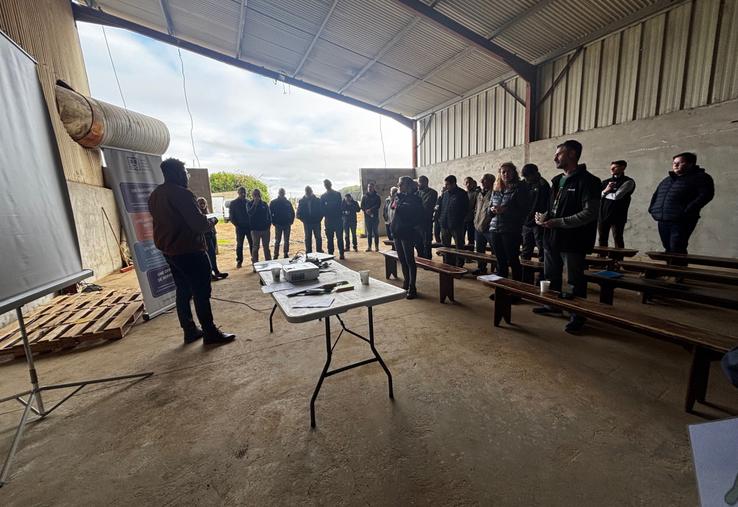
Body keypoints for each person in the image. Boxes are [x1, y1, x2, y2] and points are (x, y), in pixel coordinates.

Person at [148, 158, 234, 345]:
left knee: (183, 290)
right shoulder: (182, 194)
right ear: (178, 173)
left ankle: (189, 330)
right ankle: (210, 332)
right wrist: (211, 221)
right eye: (185, 173)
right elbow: (199, 225)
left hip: (170, 252)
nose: (187, 176)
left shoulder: (156, 195)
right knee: (201, 292)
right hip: (189, 250)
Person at [534, 140, 601, 334]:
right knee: (551, 275)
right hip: (552, 237)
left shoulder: (589, 181)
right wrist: (544, 217)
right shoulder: (556, 180)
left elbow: (590, 213)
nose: (555, 157)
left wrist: (558, 222)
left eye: (559, 154)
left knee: (574, 280)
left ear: (572, 154)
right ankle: (552, 305)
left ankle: (577, 314)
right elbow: (552, 208)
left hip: (574, 240)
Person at [648, 152, 714, 255]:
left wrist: (686, 211)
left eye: (680, 162)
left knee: (677, 247)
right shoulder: (667, 180)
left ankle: (678, 270)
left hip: (683, 220)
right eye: (674, 163)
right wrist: (652, 209)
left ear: (690, 164)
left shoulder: (701, 177)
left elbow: (706, 195)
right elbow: (656, 195)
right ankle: (669, 270)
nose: (675, 165)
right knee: (668, 247)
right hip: (663, 219)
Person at [486, 163, 529, 282]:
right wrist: (492, 210)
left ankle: (516, 291)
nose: (505, 174)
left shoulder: (520, 187)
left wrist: (506, 210)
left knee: (513, 260)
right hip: (495, 228)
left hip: (511, 230)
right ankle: (501, 292)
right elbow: (489, 208)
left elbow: (524, 210)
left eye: (508, 171)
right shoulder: (496, 189)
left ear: (514, 173)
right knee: (500, 261)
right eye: (503, 172)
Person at [392, 176, 424, 299]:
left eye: (401, 184)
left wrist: (399, 205)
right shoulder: (399, 197)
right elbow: (393, 210)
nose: (398, 186)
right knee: (402, 260)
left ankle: (412, 287)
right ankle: (406, 282)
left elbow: (412, 214)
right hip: (397, 232)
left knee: (410, 260)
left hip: (407, 232)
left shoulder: (415, 199)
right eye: (399, 184)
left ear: (407, 185)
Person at [598, 160, 635, 249]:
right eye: (611, 167)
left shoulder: (628, 182)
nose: (612, 169)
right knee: (602, 239)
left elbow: (616, 196)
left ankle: (618, 261)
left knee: (617, 238)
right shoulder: (605, 182)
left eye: (615, 167)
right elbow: (596, 195)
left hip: (618, 216)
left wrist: (604, 193)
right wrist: (605, 191)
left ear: (623, 168)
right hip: (603, 215)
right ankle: (601, 260)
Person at [521, 164, 550, 260]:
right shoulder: (524, 184)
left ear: (535, 173)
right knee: (526, 249)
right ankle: (525, 274)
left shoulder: (543, 185)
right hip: (526, 222)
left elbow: (545, 205)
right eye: (525, 177)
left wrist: (540, 219)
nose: (526, 179)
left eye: (528, 176)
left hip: (538, 223)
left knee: (542, 249)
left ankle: (542, 274)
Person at [438, 175, 469, 267]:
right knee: (445, 246)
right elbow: (441, 207)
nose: (446, 186)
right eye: (445, 184)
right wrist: (441, 219)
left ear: (454, 184)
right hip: (444, 224)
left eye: (447, 184)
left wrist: (459, 220)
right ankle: (447, 263)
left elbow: (465, 209)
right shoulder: (445, 194)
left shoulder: (462, 193)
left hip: (457, 225)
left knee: (459, 246)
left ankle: (459, 264)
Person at [196, 197, 228, 281]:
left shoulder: (207, 212)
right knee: (210, 256)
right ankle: (211, 274)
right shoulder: (198, 214)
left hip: (212, 234)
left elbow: (213, 222)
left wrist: (213, 221)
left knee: (213, 254)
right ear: (197, 204)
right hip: (206, 237)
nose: (202, 205)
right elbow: (206, 225)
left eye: (204, 203)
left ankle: (216, 271)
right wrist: (212, 222)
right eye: (200, 203)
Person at [471, 173, 495, 275]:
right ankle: (481, 268)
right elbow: (477, 209)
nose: (481, 182)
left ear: (491, 181)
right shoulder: (479, 193)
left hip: (490, 227)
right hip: (478, 226)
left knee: (495, 250)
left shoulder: (495, 193)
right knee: (480, 250)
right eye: (481, 180)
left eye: (484, 180)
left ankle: (496, 269)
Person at [229, 186, 252, 269]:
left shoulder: (249, 202)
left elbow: (252, 214)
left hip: (249, 227)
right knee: (239, 245)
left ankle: (254, 260)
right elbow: (232, 216)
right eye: (241, 192)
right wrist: (237, 225)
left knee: (252, 244)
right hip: (240, 228)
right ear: (238, 193)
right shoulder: (233, 203)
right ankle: (239, 261)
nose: (243, 194)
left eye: (244, 192)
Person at [321, 179, 345, 259]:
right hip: (333, 219)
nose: (326, 185)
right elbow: (323, 209)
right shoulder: (326, 196)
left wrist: (328, 210)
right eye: (326, 184)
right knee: (333, 239)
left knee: (337, 238)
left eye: (327, 184)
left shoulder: (333, 195)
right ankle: (333, 254)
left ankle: (337, 254)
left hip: (334, 219)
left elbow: (340, 206)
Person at [296, 186, 324, 253]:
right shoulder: (301, 201)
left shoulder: (318, 200)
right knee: (308, 238)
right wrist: (304, 221)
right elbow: (298, 214)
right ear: (305, 192)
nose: (308, 193)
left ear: (312, 192)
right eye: (307, 192)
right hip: (307, 223)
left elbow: (322, 211)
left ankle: (319, 251)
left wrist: (319, 219)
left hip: (316, 222)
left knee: (318, 238)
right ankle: (309, 253)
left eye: (309, 192)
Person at [269, 187, 295, 259]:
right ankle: (276, 255)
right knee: (278, 240)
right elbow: (270, 213)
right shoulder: (274, 202)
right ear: (279, 193)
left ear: (284, 193)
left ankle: (285, 253)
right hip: (278, 224)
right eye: (281, 192)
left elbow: (292, 213)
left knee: (286, 240)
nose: (282, 194)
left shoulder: (288, 203)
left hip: (287, 224)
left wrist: (291, 221)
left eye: (283, 192)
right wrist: (273, 222)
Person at [247, 188, 272, 263]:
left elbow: (269, 215)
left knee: (266, 247)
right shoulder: (249, 204)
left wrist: (269, 225)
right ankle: (255, 263)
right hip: (255, 230)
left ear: (260, 195)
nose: (256, 196)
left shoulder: (264, 204)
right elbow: (250, 213)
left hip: (265, 230)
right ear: (252, 196)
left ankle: (269, 262)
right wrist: (254, 204)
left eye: (258, 194)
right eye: (255, 195)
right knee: (255, 247)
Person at [417, 175, 438, 259]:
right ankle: (421, 258)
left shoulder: (432, 193)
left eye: (419, 182)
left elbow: (426, 206)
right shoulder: (418, 192)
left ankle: (428, 259)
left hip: (426, 221)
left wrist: (417, 207)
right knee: (418, 242)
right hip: (417, 221)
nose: (418, 184)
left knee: (426, 242)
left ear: (425, 182)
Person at [360, 182, 381, 252]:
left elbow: (378, 205)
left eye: (371, 187)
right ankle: (369, 247)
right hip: (367, 217)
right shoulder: (364, 196)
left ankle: (377, 247)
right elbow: (362, 206)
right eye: (368, 187)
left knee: (375, 232)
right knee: (369, 233)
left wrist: (371, 210)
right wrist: (366, 210)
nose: (369, 188)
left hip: (375, 217)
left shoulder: (377, 196)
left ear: (373, 187)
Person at [464, 177, 480, 248]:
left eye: (470, 183)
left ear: (473, 184)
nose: (468, 184)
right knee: (461, 238)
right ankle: (462, 255)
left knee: (471, 239)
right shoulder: (463, 193)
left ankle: (470, 256)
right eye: (467, 183)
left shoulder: (476, 194)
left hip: (471, 219)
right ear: (464, 183)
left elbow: (477, 206)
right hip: (462, 219)